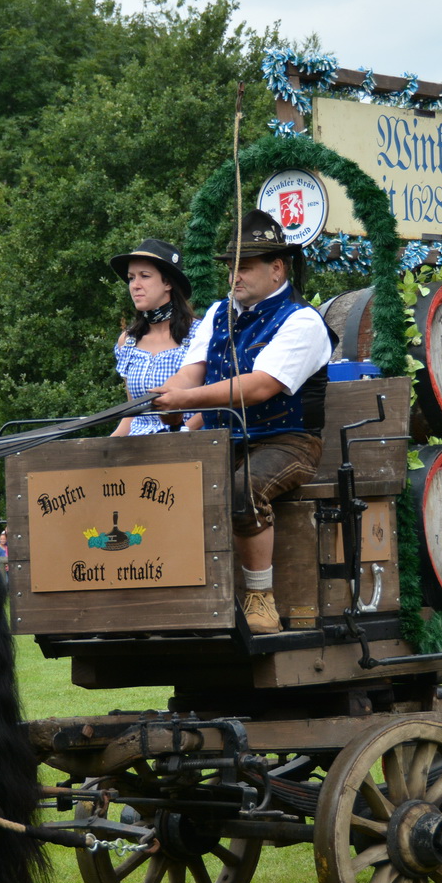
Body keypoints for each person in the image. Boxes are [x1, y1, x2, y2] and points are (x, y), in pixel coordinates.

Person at [153, 210, 334, 636]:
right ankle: (176, 595)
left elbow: (259, 387)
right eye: (232, 267)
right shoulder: (219, 313)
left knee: (242, 487)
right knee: (161, 486)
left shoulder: (302, 320)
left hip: (288, 442)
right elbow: (192, 372)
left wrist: (186, 400)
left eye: (246, 267)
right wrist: (164, 398)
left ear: (277, 269)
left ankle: (260, 598)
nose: (235, 276)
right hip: (220, 440)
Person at [110, 238, 199, 437]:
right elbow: (132, 414)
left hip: (189, 443)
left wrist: (183, 432)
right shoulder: (128, 341)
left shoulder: (199, 335)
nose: (135, 285)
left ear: (167, 282)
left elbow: (212, 405)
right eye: (131, 278)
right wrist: (101, 449)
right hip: (137, 447)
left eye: (145, 276)